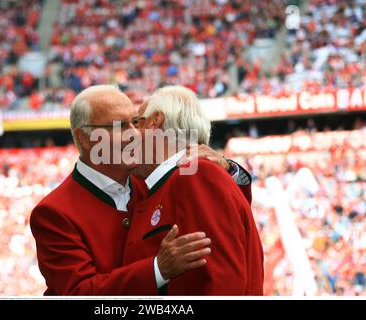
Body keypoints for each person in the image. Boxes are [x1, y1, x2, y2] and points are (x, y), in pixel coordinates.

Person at [30, 85, 253, 295]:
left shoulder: (154, 179)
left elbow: (224, 217)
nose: (135, 135)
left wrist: (227, 168)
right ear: (84, 138)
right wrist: (157, 270)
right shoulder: (53, 213)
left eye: (136, 122)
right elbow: (80, 293)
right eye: (120, 126)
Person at [122, 85, 264, 295]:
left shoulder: (194, 176)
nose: (129, 134)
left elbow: (220, 282)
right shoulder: (178, 178)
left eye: (136, 123)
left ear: (154, 122)